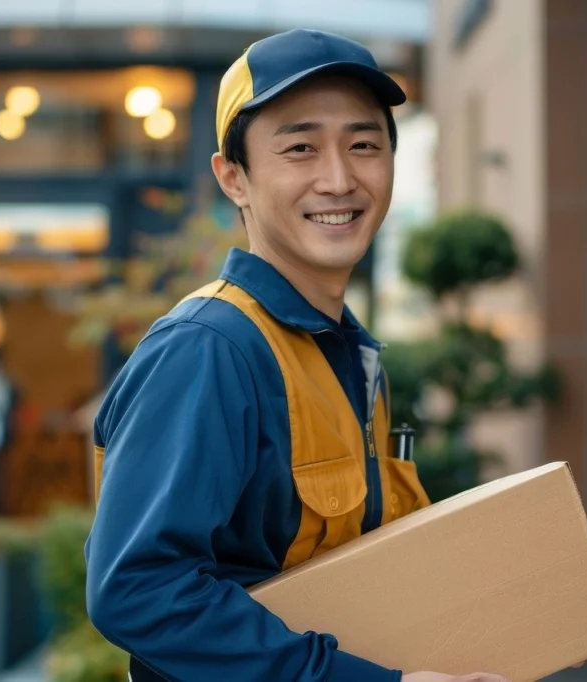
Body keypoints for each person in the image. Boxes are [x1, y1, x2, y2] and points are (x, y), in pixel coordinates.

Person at [85, 28, 510, 682]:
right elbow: (137, 590)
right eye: (301, 148)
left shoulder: (349, 351)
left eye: (364, 145)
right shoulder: (210, 350)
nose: (339, 179)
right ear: (234, 178)